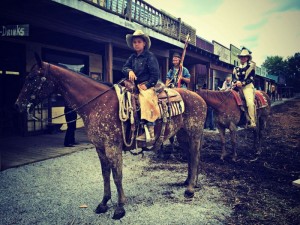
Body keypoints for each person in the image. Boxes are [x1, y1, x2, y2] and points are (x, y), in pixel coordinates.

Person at [122, 30, 160, 141]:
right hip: (134, 85)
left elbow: (155, 75)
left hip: (146, 85)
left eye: (139, 41)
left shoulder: (150, 56)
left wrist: (147, 85)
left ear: (144, 43)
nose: (136, 44)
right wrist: (129, 71)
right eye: (134, 42)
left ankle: (150, 129)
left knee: (146, 99)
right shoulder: (132, 57)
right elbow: (124, 67)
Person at [232, 47, 256, 128]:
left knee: (250, 103)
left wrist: (242, 83)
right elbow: (234, 78)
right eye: (241, 57)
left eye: (245, 57)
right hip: (236, 87)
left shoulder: (251, 67)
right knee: (227, 97)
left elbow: (251, 78)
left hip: (247, 87)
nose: (243, 58)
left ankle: (252, 121)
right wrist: (236, 82)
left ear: (247, 58)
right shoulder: (236, 68)